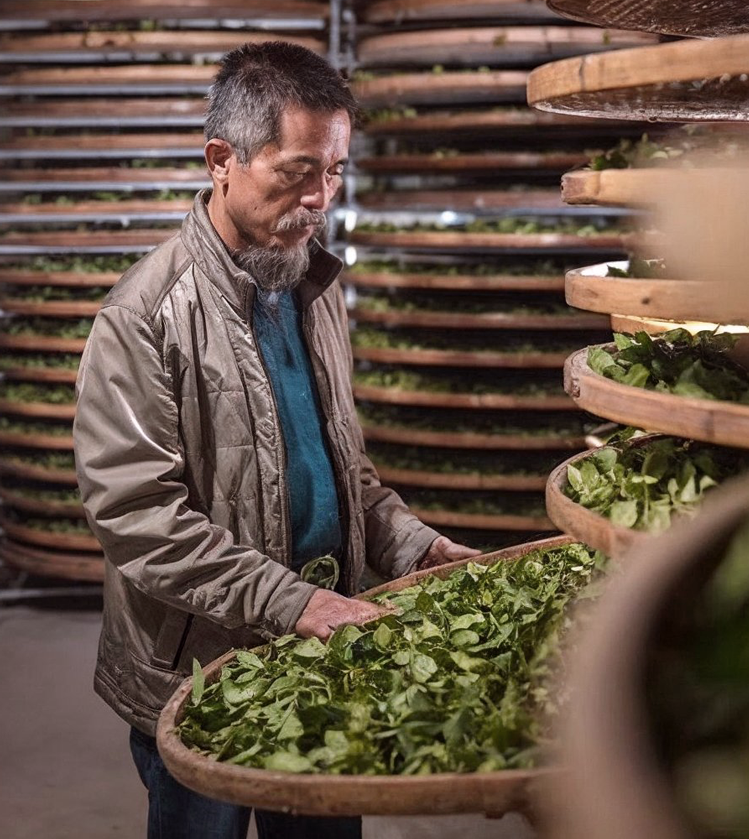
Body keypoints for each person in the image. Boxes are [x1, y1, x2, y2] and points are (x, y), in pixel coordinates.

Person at [73, 41, 478, 839]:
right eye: (298, 172)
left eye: (334, 172)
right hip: (203, 671)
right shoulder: (144, 317)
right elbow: (136, 515)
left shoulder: (311, 283)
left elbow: (340, 466)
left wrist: (412, 547)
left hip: (322, 648)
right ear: (222, 159)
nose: (321, 197)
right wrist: (287, 601)